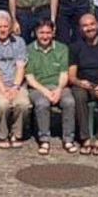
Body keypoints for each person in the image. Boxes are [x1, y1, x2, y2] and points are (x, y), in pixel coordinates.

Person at [25, 18, 77, 155]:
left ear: (53, 33)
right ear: (36, 33)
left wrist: (59, 89)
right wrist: (46, 92)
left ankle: (68, 138)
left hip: (58, 85)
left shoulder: (62, 48)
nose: (45, 36)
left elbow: (64, 73)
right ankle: (44, 139)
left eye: (48, 33)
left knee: (69, 101)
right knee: (42, 103)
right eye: (41, 33)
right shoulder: (29, 50)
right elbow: (30, 78)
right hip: (38, 87)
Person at [69, 13, 98, 156]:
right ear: (80, 29)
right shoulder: (75, 46)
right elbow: (71, 76)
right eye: (85, 25)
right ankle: (85, 138)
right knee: (78, 95)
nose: (89, 28)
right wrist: (81, 83)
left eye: (91, 24)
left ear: (97, 25)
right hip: (84, 84)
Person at [0, 11, 31, 149]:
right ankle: (2, 135)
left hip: (16, 83)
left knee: (23, 103)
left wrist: (15, 87)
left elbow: (20, 66)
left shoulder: (19, 41)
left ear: (10, 27)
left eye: (5, 26)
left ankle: (16, 134)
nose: (2, 29)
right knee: (2, 104)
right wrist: (3, 90)